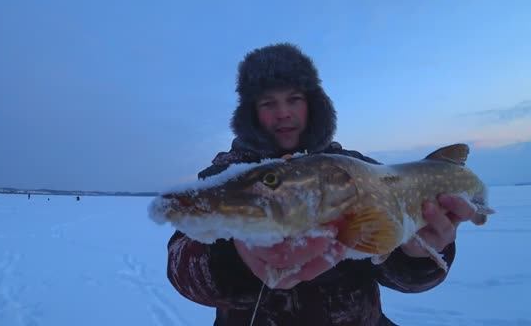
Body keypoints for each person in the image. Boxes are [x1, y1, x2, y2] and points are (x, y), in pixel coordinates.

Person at [166, 43, 477, 325]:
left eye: (294, 99)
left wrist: (418, 253)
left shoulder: (360, 169)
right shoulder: (223, 175)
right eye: (268, 103)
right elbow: (181, 268)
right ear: (251, 113)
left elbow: (399, 275)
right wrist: (233, 260)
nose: (283, 112)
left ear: (312, 105)